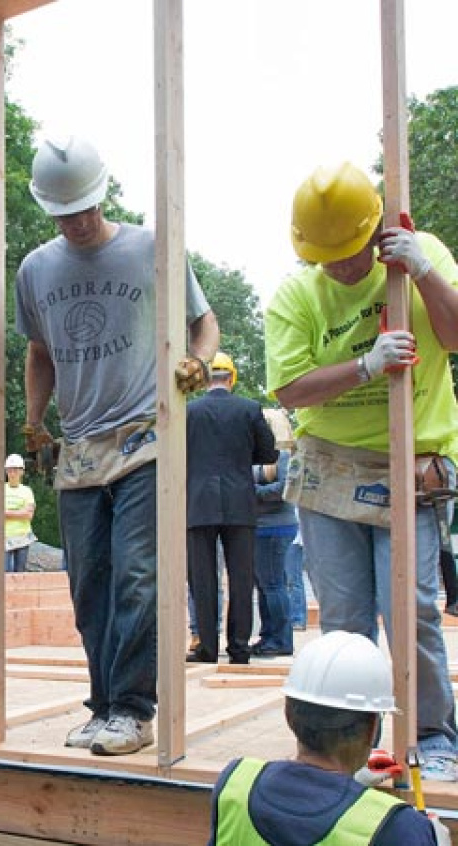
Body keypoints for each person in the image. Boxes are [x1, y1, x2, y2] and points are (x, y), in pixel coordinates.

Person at [15, 135, 219, 755]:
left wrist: (198, 363)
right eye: (63, 213)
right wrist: (34, 420)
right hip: (78, 448)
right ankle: (103, 705)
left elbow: (202, 322)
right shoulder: (36, 270)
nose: (75, 222)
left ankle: (133, 709)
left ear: (102, 195)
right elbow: (40, 352)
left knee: (136, 576)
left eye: (84, 208)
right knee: (89, 587)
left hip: (143, 439)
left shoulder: (150, 249)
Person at [266, 161, 458, 780]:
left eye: (351, 253)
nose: (343, 267)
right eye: (329, 257)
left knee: (413, 609)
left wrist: (423, 272)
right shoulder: (298, 295)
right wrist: (366, 366)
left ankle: (432, 736)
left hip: (413, 463)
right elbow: (291, 390)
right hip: (332, 471)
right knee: (344, 618)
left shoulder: (416, 258)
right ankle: (340, 748)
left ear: (374, 231)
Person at [209, 631, 448, 845]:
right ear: (372, 727)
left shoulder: (234, 784)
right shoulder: (397, 828)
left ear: (287, 713)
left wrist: (343, 783)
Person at [186, 352, 277, 665]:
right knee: (241, 578)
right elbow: (269, 453)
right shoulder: (250, 409)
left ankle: (207, 648)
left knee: (202, 578)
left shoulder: (189, 411)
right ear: (232, 377)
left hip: (198, 503)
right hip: (240, 502)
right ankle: (239, 648)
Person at [253, 443, 298, 657]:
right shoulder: (253, 456)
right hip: (260, 528)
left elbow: (284, 490)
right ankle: (269, 636)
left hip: (275, 528)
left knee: (273, 585)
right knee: (265, 586)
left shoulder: (283, 458)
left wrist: (251, 491)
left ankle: (280, 640)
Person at [2, 454, 36, 573]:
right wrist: (20, 512)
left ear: (21, 471)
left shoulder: (27, 491)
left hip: (22, 537)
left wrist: (7, 513)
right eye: (10, 470)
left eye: (15, 470)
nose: (12, 473)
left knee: (20, 572)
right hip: (4, 537)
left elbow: (29, 515)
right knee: (4, 572)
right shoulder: (0, 489)